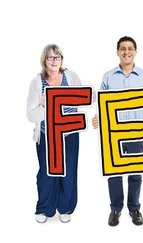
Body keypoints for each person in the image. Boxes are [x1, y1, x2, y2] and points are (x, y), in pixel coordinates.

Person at [91, 36, 143, 227]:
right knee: (114, 172)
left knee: (136, 171)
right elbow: (102, 103)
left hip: (136, 132)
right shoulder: (108, 76)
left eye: (130, 48)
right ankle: (115, 209)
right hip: (113, 134)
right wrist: (99, 119)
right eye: (122, 48)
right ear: (117, 52)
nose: (126, 51)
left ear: (135, 52)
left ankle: (134, 208)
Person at [26, 44, 83, 224]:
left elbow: (83, 99)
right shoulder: (37, 82)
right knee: (47, 173)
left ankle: (65, 208)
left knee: (69, 172)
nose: (54, 61)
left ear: (62, 60)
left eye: (57, 57)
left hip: (69, 134)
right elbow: (30, 115)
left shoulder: (71, 76)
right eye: (50, 57)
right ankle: (44, 209)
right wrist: (45, 105)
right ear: (44, 60)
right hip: (46, 136)